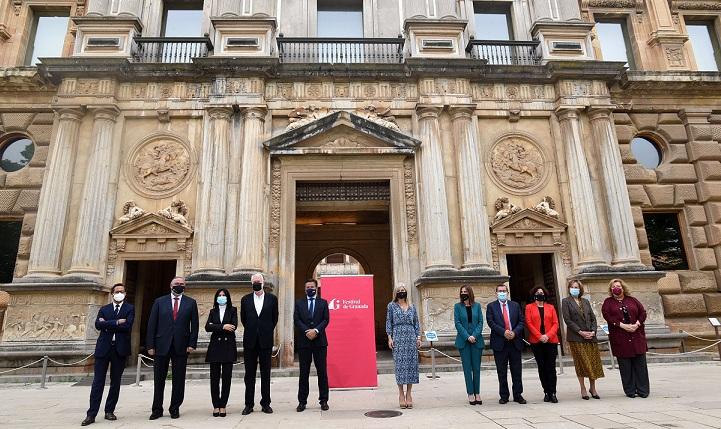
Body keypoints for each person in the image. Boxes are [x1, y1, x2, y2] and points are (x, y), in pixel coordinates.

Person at [81, 283, 135, 426]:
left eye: (122, 291)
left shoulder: (130, 308)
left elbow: (127, 326)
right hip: (103, 349)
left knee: (115, 382)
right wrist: (117, 322)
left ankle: (109, 411)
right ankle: (91, 414)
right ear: (112, 294)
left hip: (120, 349)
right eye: (117, 291)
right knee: (97, 382)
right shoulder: (104, 309)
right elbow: (98, 325)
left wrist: (107, 324)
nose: (119, 293)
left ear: (125, 294)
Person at [146, 276, 199, 420]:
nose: (179, 285)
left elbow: (194, 325)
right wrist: (150, 345)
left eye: (182, 284)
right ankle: (157, 409)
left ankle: (175, 408)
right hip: (161, 345)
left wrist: (192, 344)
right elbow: (152, 324)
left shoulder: (191, 302)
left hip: (181, 346)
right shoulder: (159, 302)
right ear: (171, 286)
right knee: (159, 379)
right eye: (177, 283)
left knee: (179, 380)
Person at [601, 278, 650, 398]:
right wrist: (622, 325)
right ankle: (630, 390)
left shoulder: (632, 300)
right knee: (625, 367)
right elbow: (607, 316)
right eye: (613, 287)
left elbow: (642, 313)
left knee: (640, 366)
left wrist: (637, 324)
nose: (616, 288)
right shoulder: (608, 302)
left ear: (623, 288)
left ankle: (643, 390)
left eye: (618, 286)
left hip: (636, 335)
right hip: (620, 337)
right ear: (610, 289)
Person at [240, 273, 279, 415]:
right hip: (250, 342)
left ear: (263, 282)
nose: (256, 283)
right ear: (251, 283)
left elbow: (274, 319)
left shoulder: (272, 299)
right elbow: (244, 319)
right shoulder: (245, 299)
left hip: (265, 341)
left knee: (265, 374)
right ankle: (249, 404)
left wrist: (265, 330)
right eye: (254, 282)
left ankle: (266, 403)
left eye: (259, 281)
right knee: (249, 375)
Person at [561, 279, 604, 400]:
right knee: (581, 363)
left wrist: (593, 331)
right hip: (576, 337)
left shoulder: (585, 301)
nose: (574, 289)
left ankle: (593, 388)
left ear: (580, 289)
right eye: (572, 287)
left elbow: (593, 318)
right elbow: (567, 320)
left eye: (577, 287)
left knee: (592, 362)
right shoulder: (566, 301)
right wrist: (580, 332)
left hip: (590, 336)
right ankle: (583, 388)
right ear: (569, 288)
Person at [294, 278, 330, 412]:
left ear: (316, 288)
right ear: (305, 289)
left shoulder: (323, 303)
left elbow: (326, 319)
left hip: (320, 342)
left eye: (312, 287)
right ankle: (302, 401)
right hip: (304, 342)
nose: (310, 289)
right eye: (307, 287)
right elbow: (296, 319)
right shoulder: (299, 303)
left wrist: (316, 330)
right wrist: (306, 331)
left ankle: (324, 400)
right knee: (304, 373)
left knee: (322, 372)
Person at [486, 284, 526, 404]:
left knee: (517, 370)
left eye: (504, 291)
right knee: (501, 371)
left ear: (507, 292)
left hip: (515, 342)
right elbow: (491, 322)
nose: (502, 293)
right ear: (496, 293)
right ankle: (504, 395)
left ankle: (518, 394)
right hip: (500, 342)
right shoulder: (491, 306)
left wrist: (514, 332)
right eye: (500, 291)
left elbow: (521, 321)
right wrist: (504, 332)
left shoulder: (515, 305)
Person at [386, 283, 421, 409]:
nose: (402, 292)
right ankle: (401, 393)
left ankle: (409, 394)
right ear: (396, 293)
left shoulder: (412, 306)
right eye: (399, 290)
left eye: (403, 290)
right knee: (400, 366)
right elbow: (388, 322)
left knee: (411, 365)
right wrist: (390, 337)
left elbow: (416, 323)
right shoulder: (391, 306)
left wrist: (418, 337)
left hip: (411, 337)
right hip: (398, 337)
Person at [204, 288, 238, 417]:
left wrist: (216, 326)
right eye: (220, 295)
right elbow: (207, 327)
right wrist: (223, 326)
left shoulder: (233, 310)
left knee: (227, 378)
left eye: (224, 295)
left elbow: (233, 326)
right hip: (215, 347)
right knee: (214, 378)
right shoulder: (213, 311)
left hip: (228, 347)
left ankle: (223, 405)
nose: (222, 297)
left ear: (228, 297)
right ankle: (216, 405)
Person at [525, 286, 560, 403]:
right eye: (537, 292)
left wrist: (548, 336)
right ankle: (546, 391)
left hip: (551, 341)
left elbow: (556, 323)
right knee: (542, 367)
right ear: (534, 294)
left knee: (551, 367)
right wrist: (540, 336)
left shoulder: (551, 307)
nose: (540, 294)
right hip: (536, 341)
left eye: (541, 292)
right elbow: (529, 323)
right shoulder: (529, 307)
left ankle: (553, 392)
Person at [453, 285, 484, 405]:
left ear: (470, 293)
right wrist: (467, 336)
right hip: (464, 341)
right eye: (462, 292)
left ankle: (477, 393)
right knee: (467, 368)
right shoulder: (457, 306)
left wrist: (474, 335)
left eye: (465, 291)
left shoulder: (477, 306)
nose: (463, 293)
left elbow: (480, 322)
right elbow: (457, 323)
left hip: (477, 341)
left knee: (476, 368)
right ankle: (470, 393)